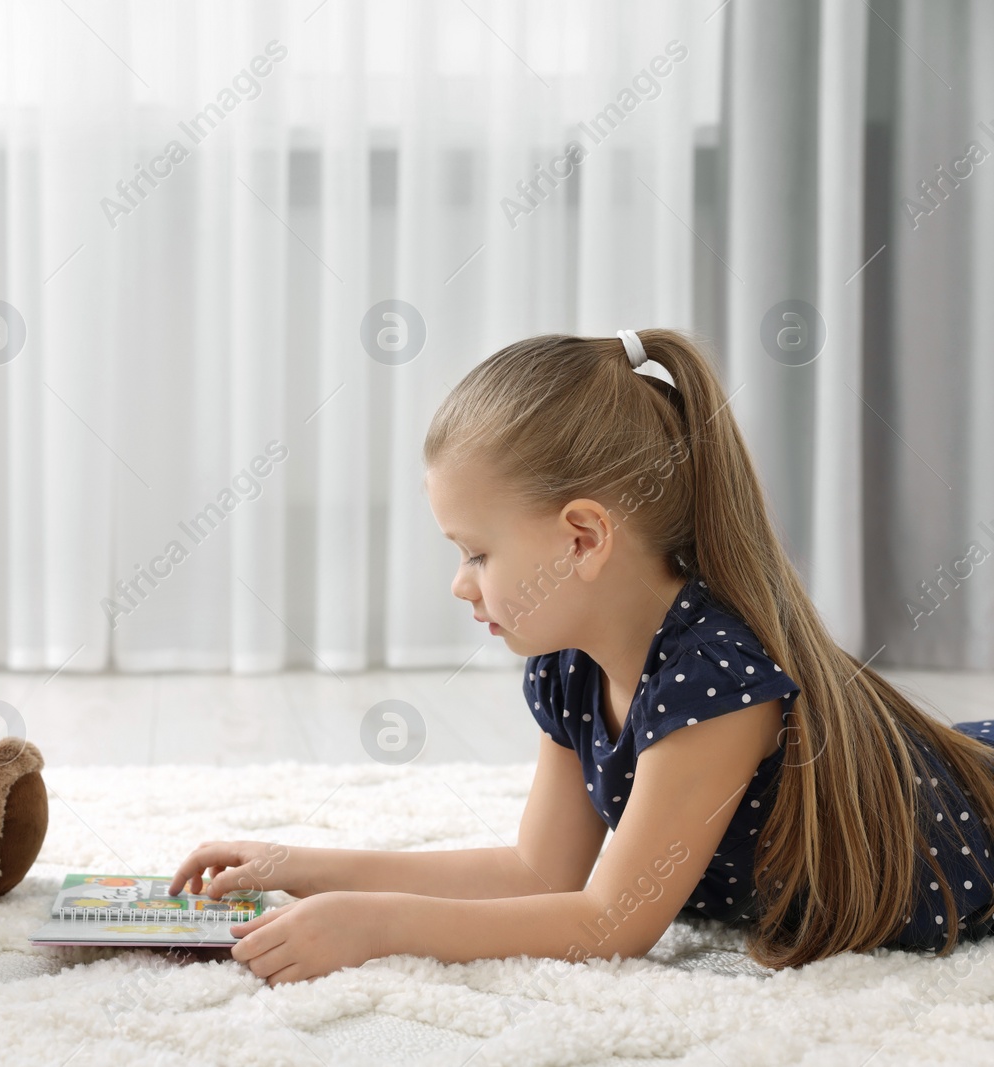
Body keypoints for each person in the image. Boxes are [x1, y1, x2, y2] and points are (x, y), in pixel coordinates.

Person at [170, 328, 994, 986]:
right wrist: (299, 867)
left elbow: (609, 921)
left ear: (585, 537)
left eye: (477, 553)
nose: (460, 585)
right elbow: (540, 872)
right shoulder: (570, 666)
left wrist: (372, 925)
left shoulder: (717, 677)